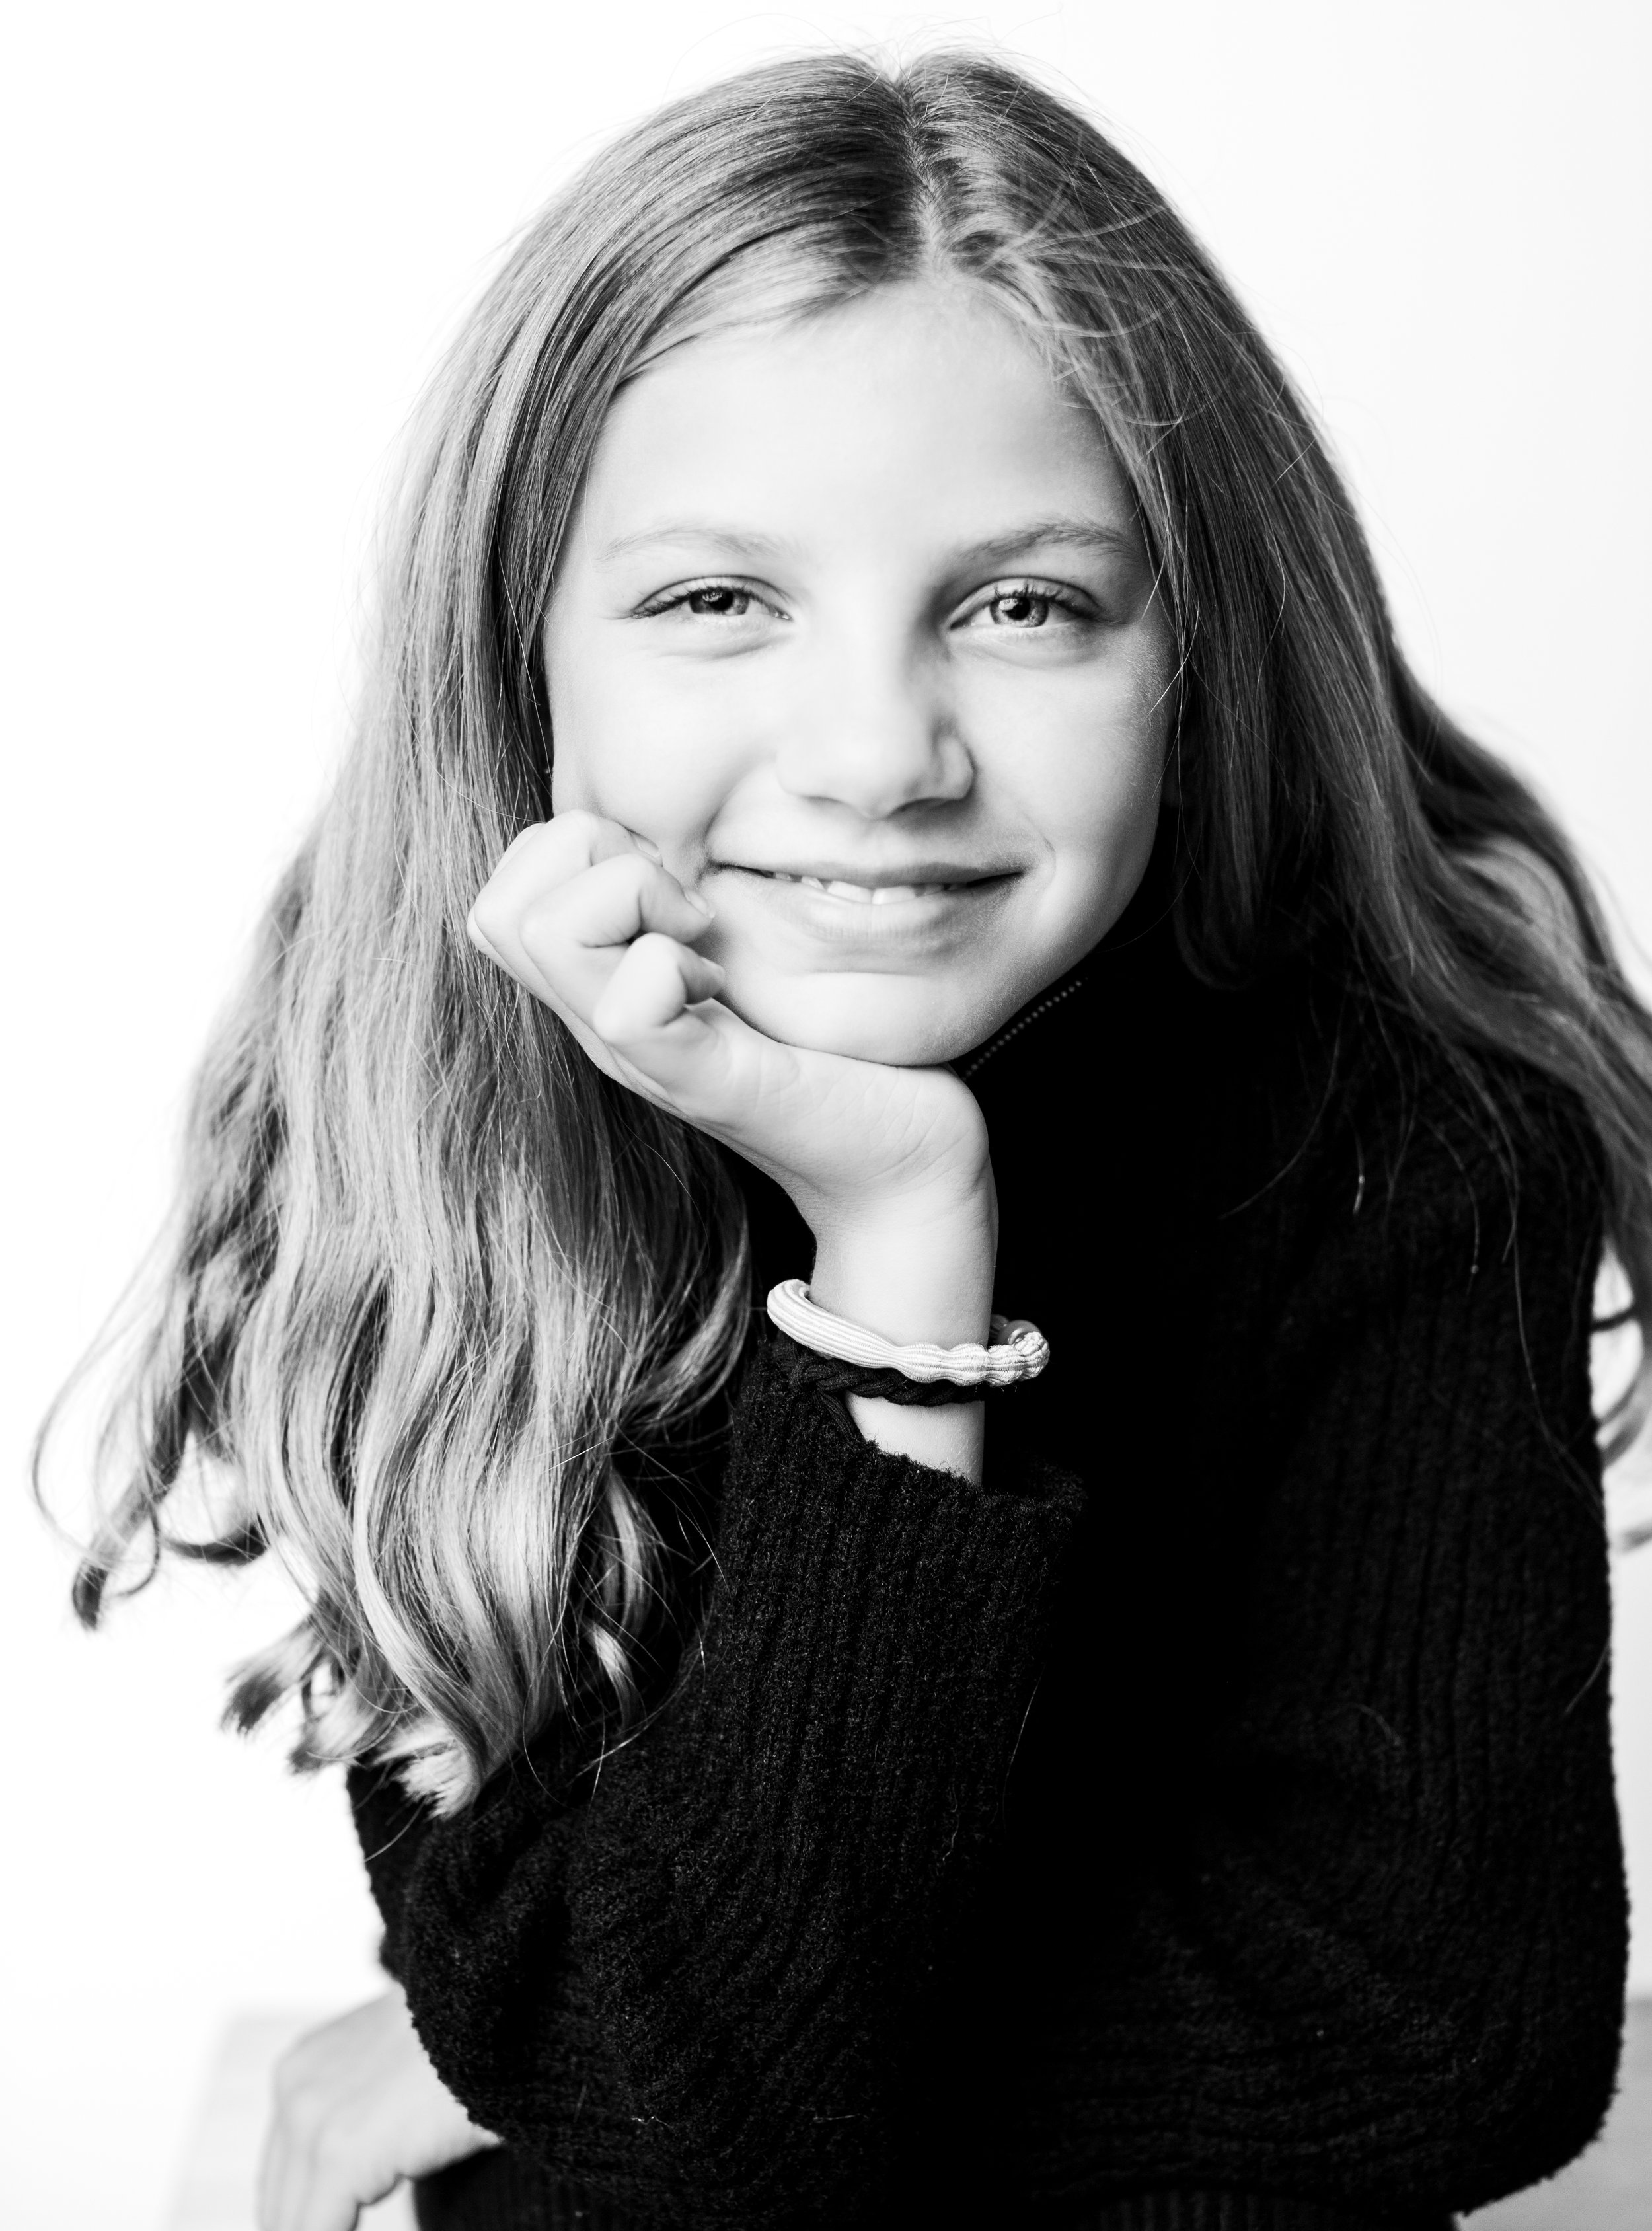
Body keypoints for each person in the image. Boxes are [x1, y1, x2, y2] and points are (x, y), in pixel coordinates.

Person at [46, 46, 1652, 2231]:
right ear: (528, 655)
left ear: (1197, 652)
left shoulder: (1415, 1124)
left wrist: (521, 2053)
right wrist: (896, 1244)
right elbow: (684, 2097)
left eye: (1024, 605)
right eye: (718, 600)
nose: (880, 752)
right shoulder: (429, 1118)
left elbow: (1440, 2035)